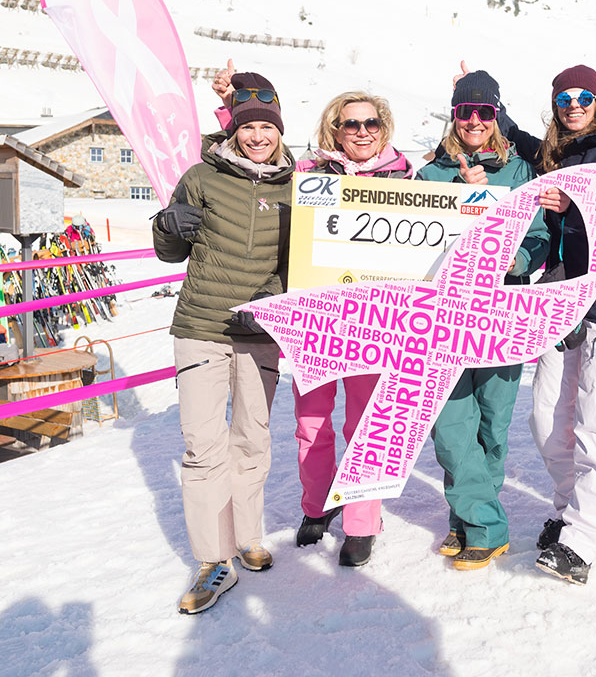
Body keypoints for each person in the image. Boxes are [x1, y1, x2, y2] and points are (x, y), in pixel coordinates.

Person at [496, 65, 596, 586]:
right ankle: (568, 511)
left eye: (584, 97)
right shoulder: (555, 152)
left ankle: (583, 540)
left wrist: (574, 207)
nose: (574, 106)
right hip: (559, 300)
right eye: (565, 98)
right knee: (545, 418)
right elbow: (520, 140)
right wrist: (486, 98)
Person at [152, 71, 295, 615]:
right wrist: (168, 225)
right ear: (233, 128)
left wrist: (273, 300)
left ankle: (247, 536)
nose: (257, 136)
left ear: (279, 129)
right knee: (203, 447)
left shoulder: (298, 187)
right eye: (248, 126)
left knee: (253, 438)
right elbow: (169, 251)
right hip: (202, 326)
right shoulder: (201, 177)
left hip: (260, 331)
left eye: (267, 126)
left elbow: (304, 263)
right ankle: (214, 560)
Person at [416, 71, 550, 571]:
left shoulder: (520, 172)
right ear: (453, 115)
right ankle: (486, 526)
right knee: (451, 427)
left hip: (501, 314)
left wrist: (517, 259)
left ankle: (467, 516)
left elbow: (540, 236)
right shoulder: (430, 175)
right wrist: (459, 193)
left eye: (484, 112)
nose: (474, 121)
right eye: (464, 111)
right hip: (442, 319)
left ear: (497, 116)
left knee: (492, 426)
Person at [291, 91, 413, 568]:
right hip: (317, 319)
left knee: (366, 425)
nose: (362, 132)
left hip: (376, 322)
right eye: (351, 124)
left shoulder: (407, 178)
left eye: (370, 123)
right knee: (311, 422)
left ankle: (362, 522)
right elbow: (252, 152)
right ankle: (317, 504)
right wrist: (230, 110)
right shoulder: (308, 174)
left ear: (383, 128)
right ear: (335, 129)